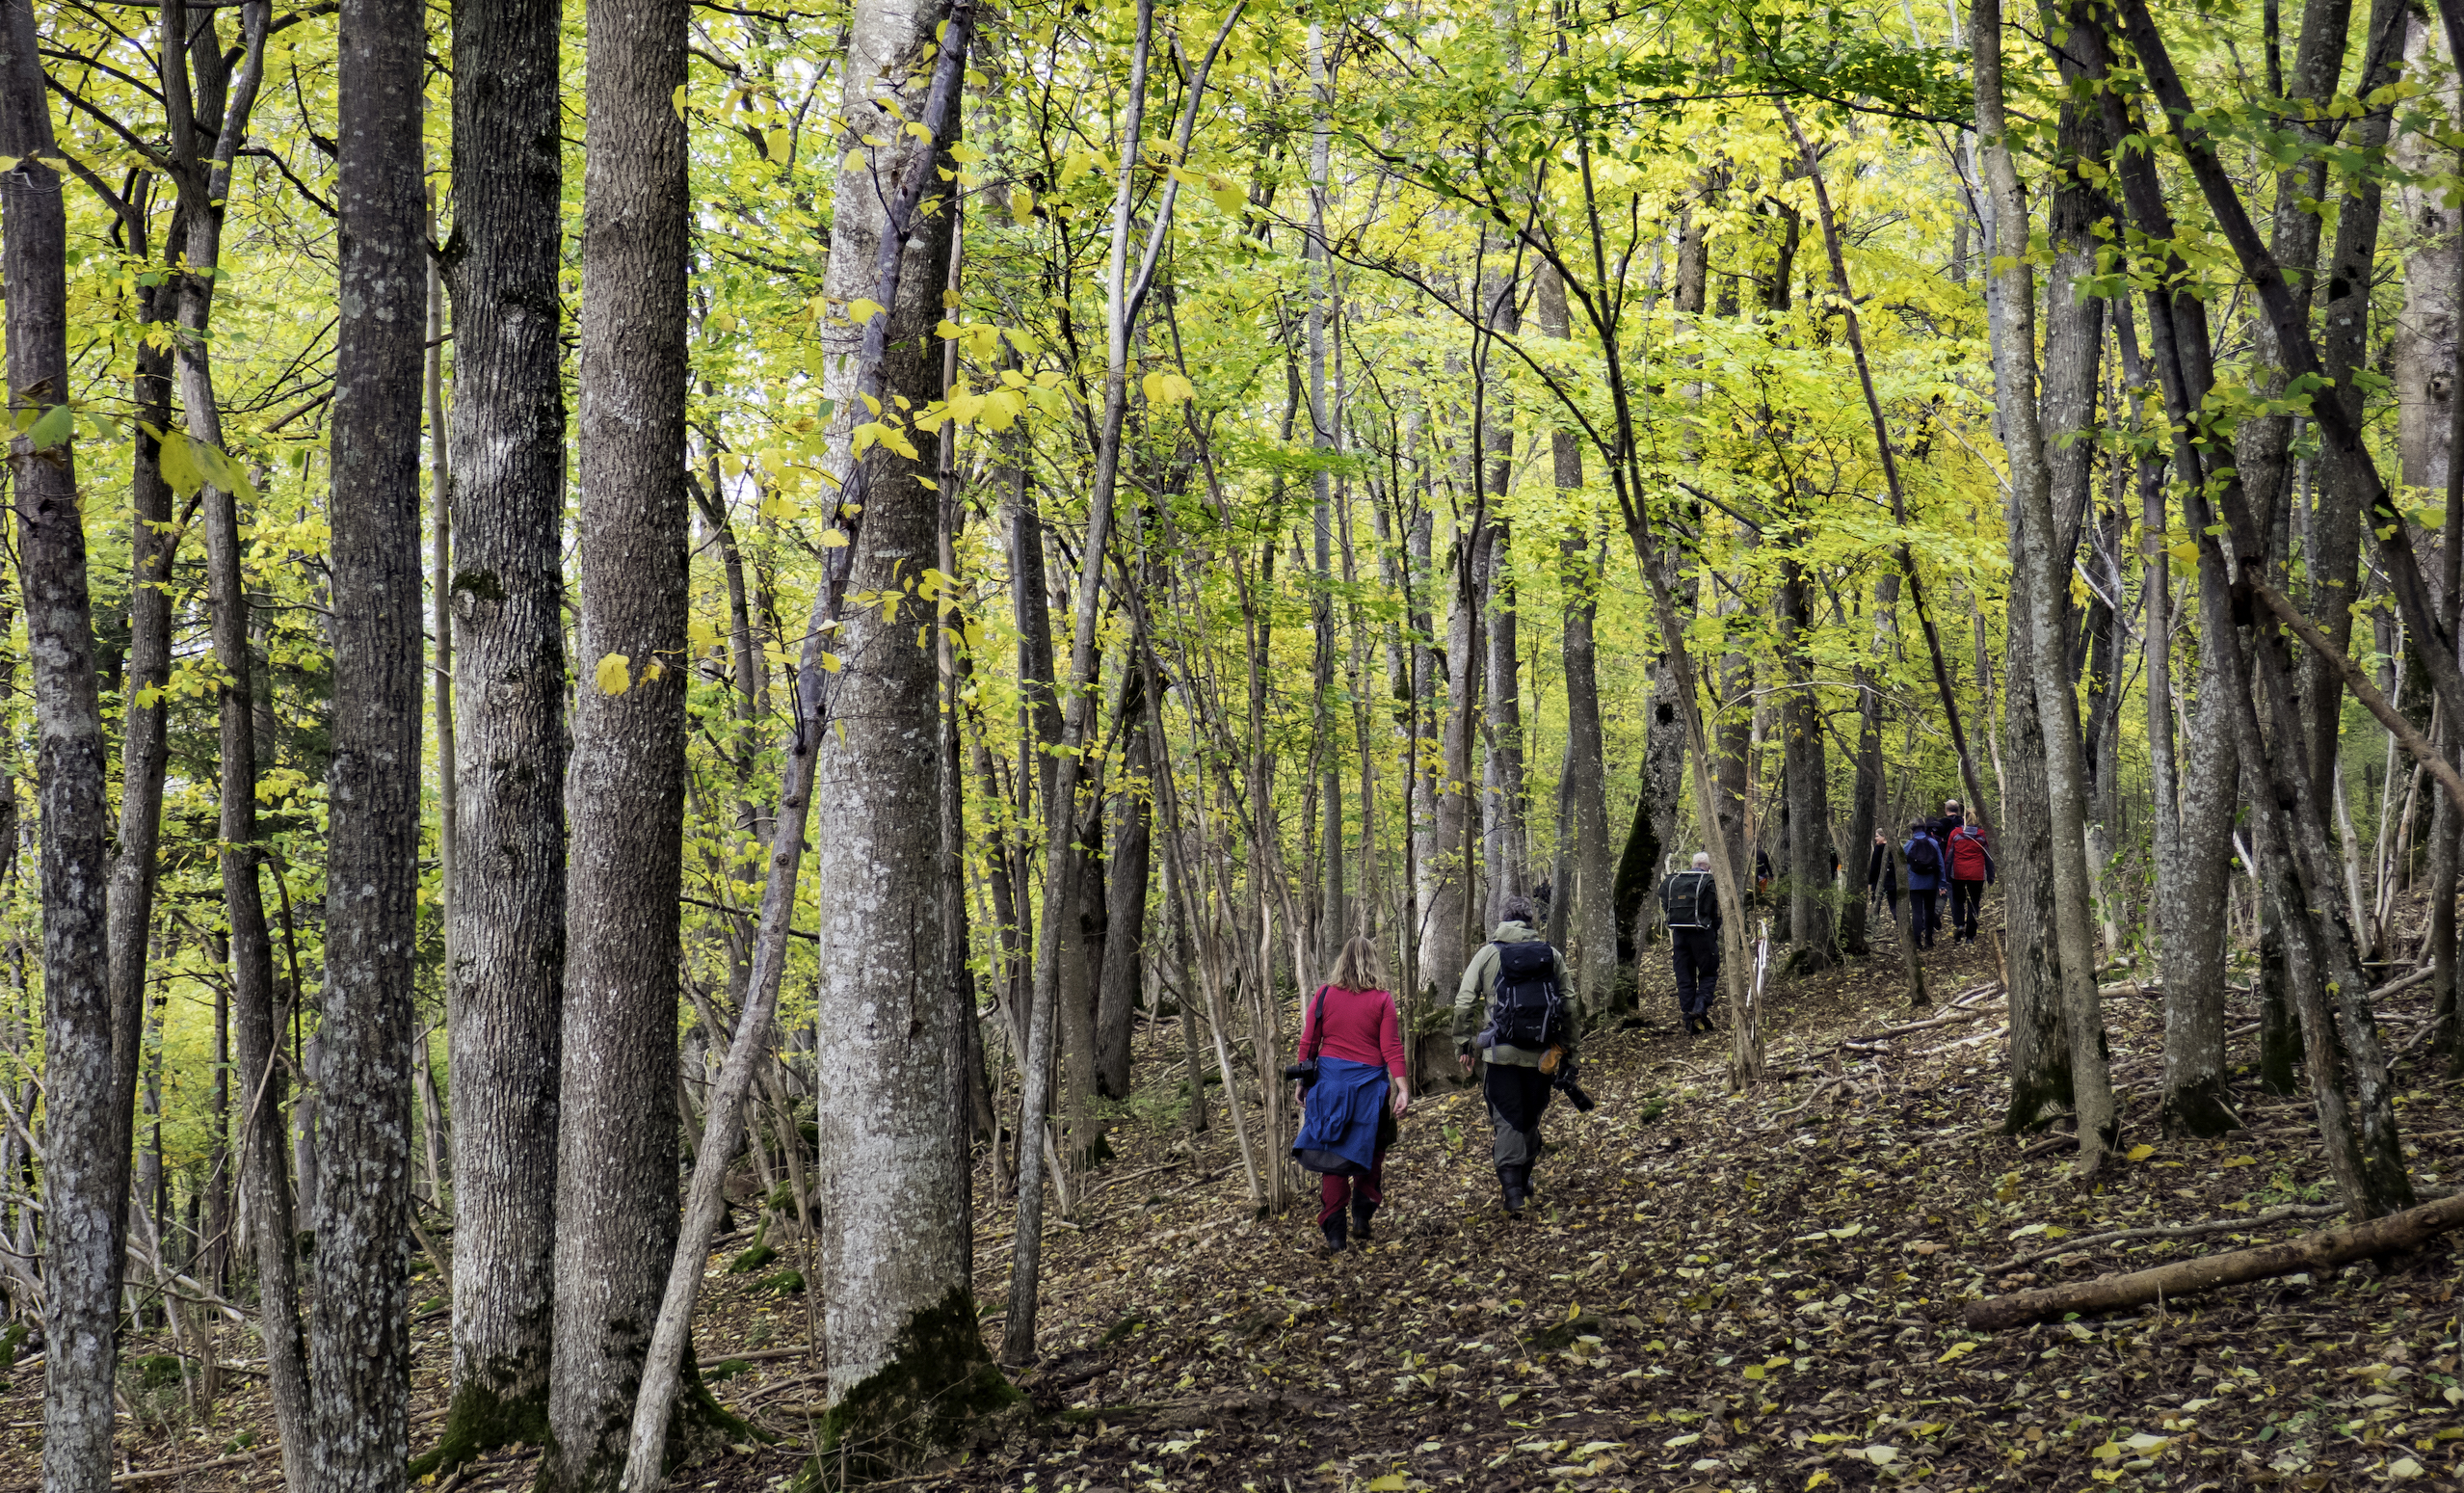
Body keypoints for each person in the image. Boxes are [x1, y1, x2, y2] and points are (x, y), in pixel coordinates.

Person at [1452, 894, 1574, 1215]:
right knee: (1531, 1116)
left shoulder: (1487, 954)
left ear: (1502, 921)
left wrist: (1464, 1044)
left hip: (1500, 1053)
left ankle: (1513, 1192)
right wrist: (1567, 1048)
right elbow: (1569, 1004)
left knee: (1507, 1119)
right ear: (1531, 922)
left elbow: (1464, 1003)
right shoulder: (1551, 954)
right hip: (1542, 1055)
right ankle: (1523, 1181)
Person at [1290, 936, 1410, 1252]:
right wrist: (1402, 1088)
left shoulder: (1325, 994)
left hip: (1328, 1089)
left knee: (1333, 1156)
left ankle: (1335, 1232)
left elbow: (1309, 1043)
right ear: (1373, 962)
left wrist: (1302, 1083)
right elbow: (1391, 1047)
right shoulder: (1382, 999)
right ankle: (1362, 1215)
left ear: (1342, 960)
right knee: (1371, 1150)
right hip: (1369, 1091)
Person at [1656, 851, 1722, 1035]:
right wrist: (1714, 928)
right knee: (1708, 972)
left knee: (1684, 976)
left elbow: (1665, 906)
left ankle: (1689, 1019)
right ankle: (1699, 1008)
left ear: (1693, 863)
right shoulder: (1708, 882)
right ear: (1708, 866)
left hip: (1679, 934)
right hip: (1702, 934)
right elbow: (1716, 913)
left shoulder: (1676, 881)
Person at [1945, 813, 1996, 944]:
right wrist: (1991, 875)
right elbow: (1988, 857)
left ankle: (1959, 925)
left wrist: (1946, 874)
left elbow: (1949, 856)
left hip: (1958, 873)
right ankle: (1970, 937)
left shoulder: (1956, 833)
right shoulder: (1982, 835)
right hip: (1977, 874)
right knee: (1973, 904)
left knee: (1958, 901)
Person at [1902, 819, 1945, 948]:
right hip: (1930, 882)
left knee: (1916, 911)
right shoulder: (1933, 843)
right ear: (1924, 828)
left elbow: (1902, 866)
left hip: (1914, 883)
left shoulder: (1908, 845)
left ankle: (1916, 942)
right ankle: (1929, 940)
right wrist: (1941, 883)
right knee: (1929, 910)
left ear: (1911, 830)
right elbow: (1940, 864)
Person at [1865, 828, 1899, 920]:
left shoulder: (1879, 849)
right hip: (1893, 880)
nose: (1875, 838)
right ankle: (1897, 920)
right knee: (1893, 903)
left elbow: (1874, 866)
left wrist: (1870, 881)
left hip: (1879, 880)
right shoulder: (1895, 847)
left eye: (1877, 836)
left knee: (1876, 901)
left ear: (1884, 837)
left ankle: (1875, 921)